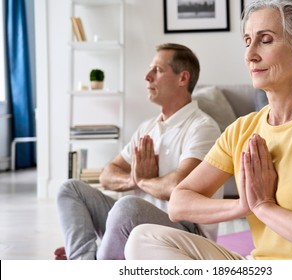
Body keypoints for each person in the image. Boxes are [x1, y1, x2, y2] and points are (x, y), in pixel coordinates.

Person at [124, 0, 292, 260]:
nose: (250, 54)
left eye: (265, 40)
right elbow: (179, 203)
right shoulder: (242, 130)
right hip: (259, 267)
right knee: (142, 239)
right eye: (247, 41)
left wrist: (263, 206)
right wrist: (243, 205)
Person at [54, 43, 222, 260]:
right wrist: (135, 180)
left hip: (185, 234)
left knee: (127, 206)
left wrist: (143, 181)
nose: (147, 77)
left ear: (183, 79)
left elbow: (178, 186)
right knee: (70, 189)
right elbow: (107, 174)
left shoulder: (203, 127)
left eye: (158, 70)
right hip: (134, 225)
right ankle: (86, 263)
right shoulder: (148, 127)